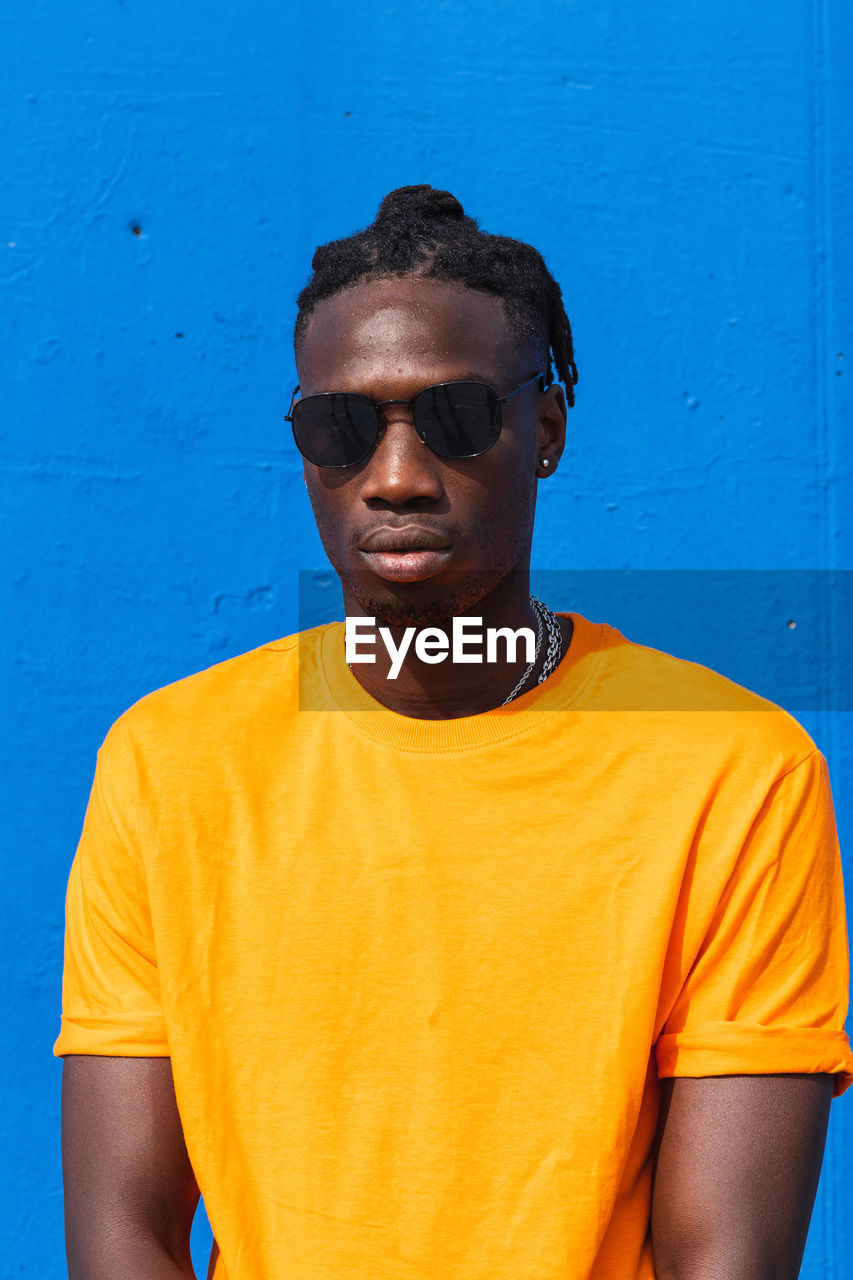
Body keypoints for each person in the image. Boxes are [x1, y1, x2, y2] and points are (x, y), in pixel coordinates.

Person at [56, 185, 853, 1280]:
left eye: (455, 416)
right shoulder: (170, 761)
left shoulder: (733, 772)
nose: (392, 476)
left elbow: (727, 1257)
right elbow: (123, 1231)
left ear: (545, 432)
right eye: (339, 426)